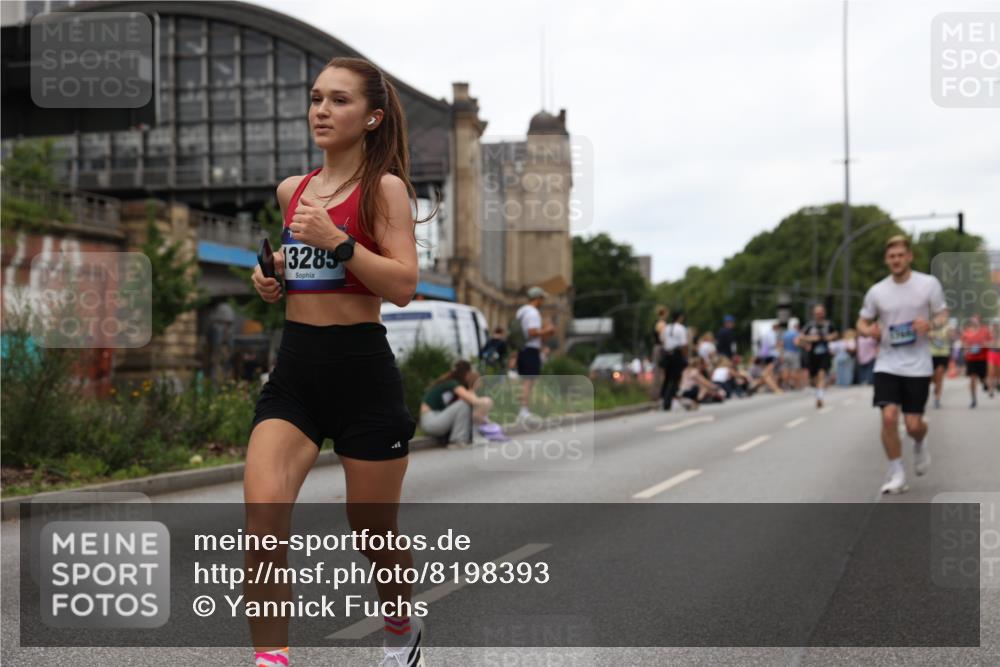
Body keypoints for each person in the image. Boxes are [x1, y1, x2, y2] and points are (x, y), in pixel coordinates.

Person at [247, 57, 428, 667]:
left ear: (372, 117)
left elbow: (402, 285)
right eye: (316, 98)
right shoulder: (290, 192)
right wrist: (272, 281)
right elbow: (307, 280)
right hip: (296, 373)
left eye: (339, 101)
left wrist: (339, 241)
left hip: (363, 377)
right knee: (263, 523)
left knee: (372, 532)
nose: (321, 110)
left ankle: (401, 628)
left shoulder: (385, 191)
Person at [856, 235, 948, 495]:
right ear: (887, 260)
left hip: (918, 363)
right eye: (891, 256)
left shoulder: (928, 284)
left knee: (913, 425)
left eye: (900, 255)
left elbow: (942, 314)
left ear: (909, 256)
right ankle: (897, 471)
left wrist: (931, 324)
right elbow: (861, 322)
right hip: (887, 362)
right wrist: (868, 330)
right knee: (888, 417)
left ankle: (920, 441)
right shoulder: (877, 291)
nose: (896, 260)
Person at [420, 360, 497, 448]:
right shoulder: (452, 383)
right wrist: (487, 401)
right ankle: (457, 440)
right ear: (467, 373)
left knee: (466, 407)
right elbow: (473, 400)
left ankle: (472, 436)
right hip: (431, 421)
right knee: (463, 404)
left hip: (436, 419)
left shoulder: (452, 383)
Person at [514, 286, 555, 421]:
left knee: (526, 381)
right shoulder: (533, 313)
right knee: (528, 381)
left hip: (522, 349)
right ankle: (524, 411)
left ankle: (523, 409)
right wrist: (547, 330)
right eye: (542, 298)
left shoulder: (522, 311)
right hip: (530, 349)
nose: (543, 301)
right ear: (537, 298)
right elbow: (532, 332)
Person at [800, 304, 839, 408]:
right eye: (817, 313)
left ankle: (819, 398)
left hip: (824, 354)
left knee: (821, 374)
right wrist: (812, 339)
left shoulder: (829, 324)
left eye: (821, 313)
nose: (819, 315)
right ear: (814, 314)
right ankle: (818, 392)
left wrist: (827, 337)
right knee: (814, 379)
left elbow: (835, 335)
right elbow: (801, 337)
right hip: (812, 355)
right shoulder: (810, 325)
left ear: (824, 313)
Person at [960, 314, 993, 409]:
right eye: (972, 321)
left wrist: (984, 344)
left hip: (982, 358)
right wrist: (966, 349)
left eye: (976, 320)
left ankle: (985, 384)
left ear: (979, 321)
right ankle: (973, 399)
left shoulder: (985, 330)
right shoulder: (967, 331)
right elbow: (963, 344)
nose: (974, 322)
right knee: (972, 378)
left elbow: (990, 342)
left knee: (983, 378)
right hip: (971, 359)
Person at [659, 311, 689, 410]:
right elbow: (684, 344)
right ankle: (669, 400)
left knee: (667, 378)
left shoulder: (666, 328)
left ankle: (663, 398)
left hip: (667, 354)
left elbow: (663, 341)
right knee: (675, 378)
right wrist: (685, 357)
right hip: (676, 354)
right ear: (680, 317)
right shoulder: (681, 328)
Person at [928, 319, 952, 408]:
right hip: (931, 355)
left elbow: (950, 335)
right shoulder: (930, 327)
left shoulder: (947, 327)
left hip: (943, 355)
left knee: (939, 375)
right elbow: (928, 336)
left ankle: (937, 399)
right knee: (932, 378)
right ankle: (936, 386)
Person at [781, 318, 802, 390]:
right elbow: (796, 343)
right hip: (794, 353)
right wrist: (803, 344)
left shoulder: (785, 333)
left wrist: (781, 354)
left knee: (786, 369)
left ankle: (785, 385)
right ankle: (796, 385)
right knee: (795, 369)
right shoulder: (796, 333)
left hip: (785, 353)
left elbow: (782, 344)